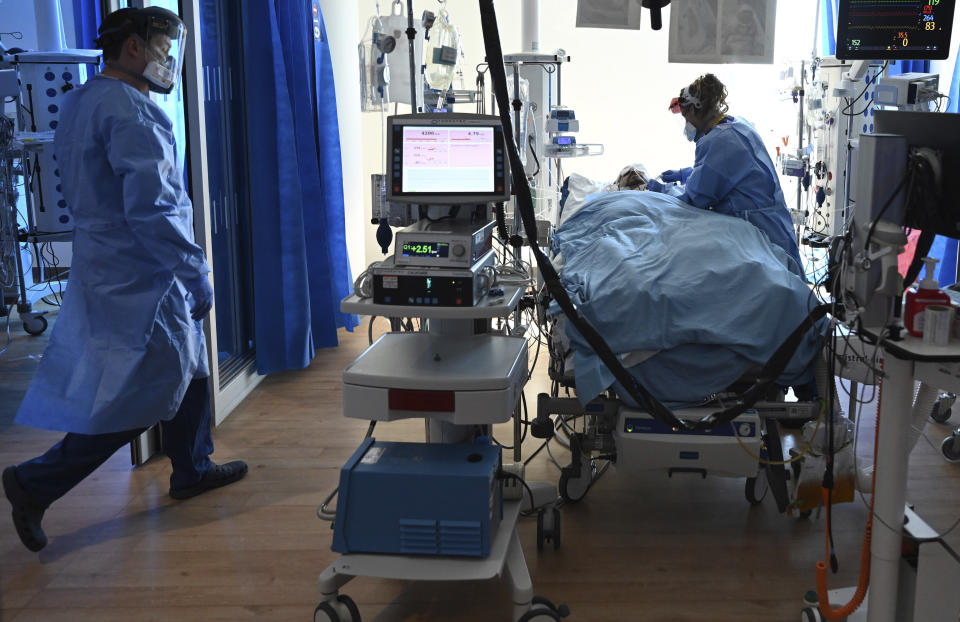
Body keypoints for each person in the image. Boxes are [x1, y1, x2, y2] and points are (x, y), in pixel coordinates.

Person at [3, 7, 247, 553]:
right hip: (143, 269)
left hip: (108, 262)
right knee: (141, 396)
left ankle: (193, 466)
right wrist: (195, 271)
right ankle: (35, 482)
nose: (166, 61)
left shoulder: (84, 98)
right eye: (161, 49)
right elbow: (155, 211)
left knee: (190, 367)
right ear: (133, 48)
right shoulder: (133, 112)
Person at [646, 73, 804, 273]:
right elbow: (732, 170)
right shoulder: (737, 125)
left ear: (696, 109)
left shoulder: (718, 142)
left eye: (685, 117)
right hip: (776, 221)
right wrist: (684, 174)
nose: (686, 124)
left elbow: (695, 198)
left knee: (781, 281)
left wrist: (662, 190)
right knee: (792, 282)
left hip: (761, 231)